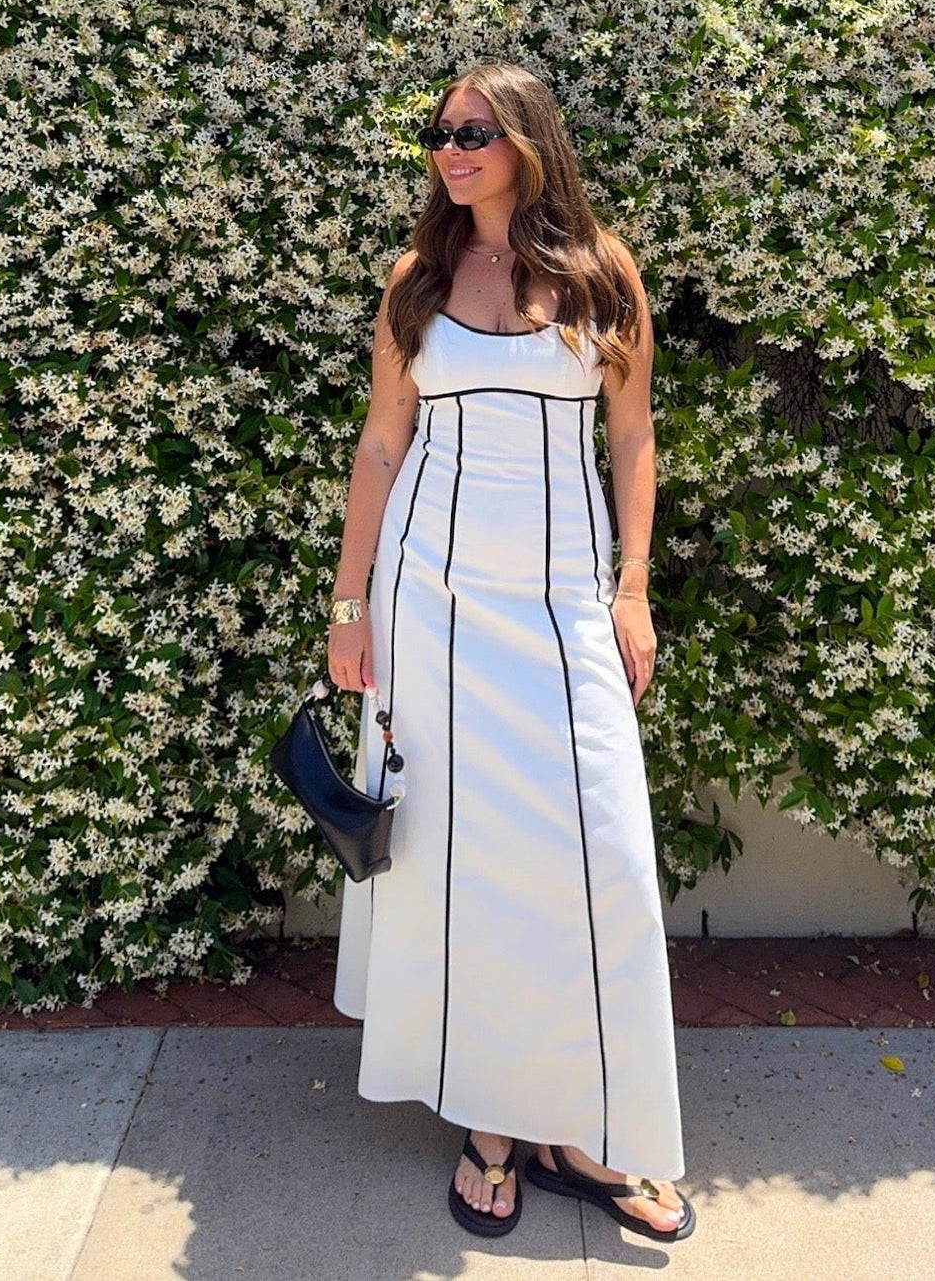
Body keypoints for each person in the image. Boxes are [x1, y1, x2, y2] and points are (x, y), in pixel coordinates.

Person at [327, 60, 694, 1243]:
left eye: (474, 130)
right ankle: (489, 1124)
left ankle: (581, 1125)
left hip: (558, 609)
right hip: (428, 602)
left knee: (595, 859)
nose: (451, 148)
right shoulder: (417, 277)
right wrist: (351, 605)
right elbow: (383, 445)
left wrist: (632, 589)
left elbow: (631, 436)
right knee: (454, 859)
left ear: (529, 140)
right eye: (438, 131)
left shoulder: (602, 274)